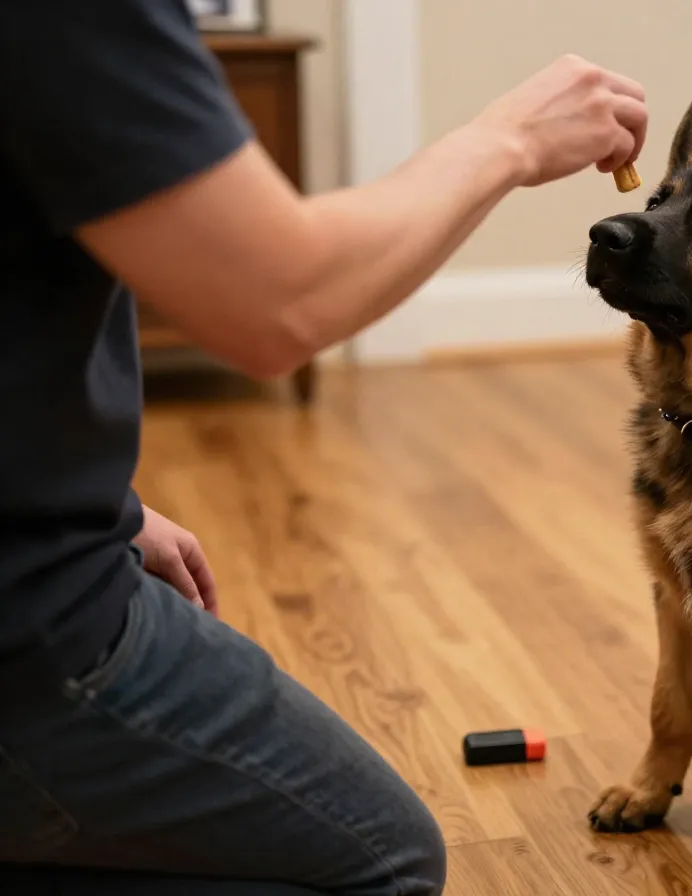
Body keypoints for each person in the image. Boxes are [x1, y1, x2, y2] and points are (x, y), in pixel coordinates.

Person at [0, 1, 647, 893]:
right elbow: (282, 303)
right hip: (30, 640)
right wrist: (509, 141)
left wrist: (90, 497)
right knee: (383, 861)